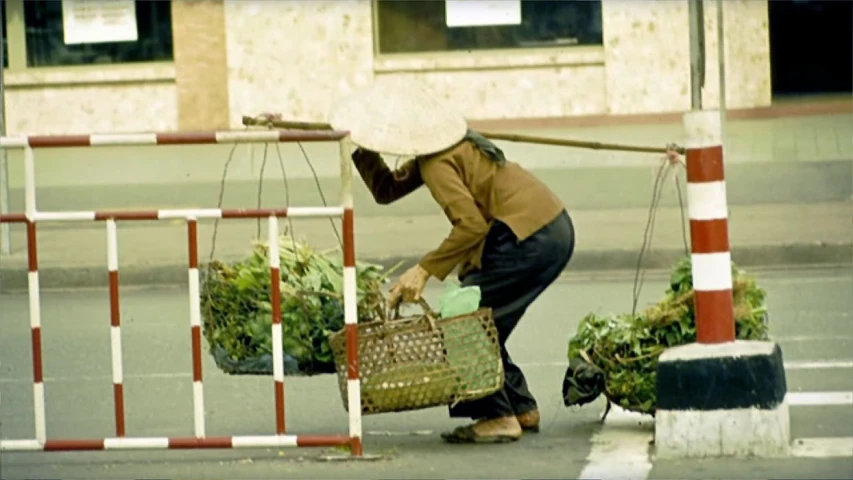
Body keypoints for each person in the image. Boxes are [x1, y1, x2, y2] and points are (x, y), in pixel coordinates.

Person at [329, 79, 575, 444]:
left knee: (463, 322)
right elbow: (386, 190)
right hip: (551, 228)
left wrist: (424, 269)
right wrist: (362, 147)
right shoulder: (450, 148)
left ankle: (498, 416)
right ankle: (521, 408)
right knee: (485, 319)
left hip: (528, 235)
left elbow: (471, 225)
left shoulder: (438, 162)